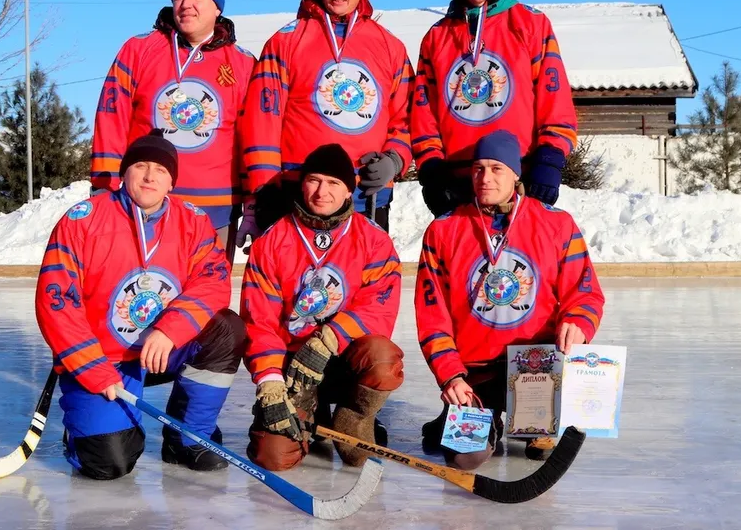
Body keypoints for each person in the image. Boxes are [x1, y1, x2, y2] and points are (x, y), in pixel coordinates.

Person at [36, 131, 246, 478]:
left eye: (161, 170)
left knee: (226, 329)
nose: (150, 176)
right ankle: (83, 432)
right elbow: (57, 303)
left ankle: (188, 436)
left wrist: (170, 330)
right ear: (124, 173)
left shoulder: (192, 221)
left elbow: (214, 280)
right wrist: (94, 369)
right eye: (141, 166)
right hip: (107, 359)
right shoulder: (82, 221)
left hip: (162, 349)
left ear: (171, 182)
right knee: (110, 463)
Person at [415, 130, 604, 469]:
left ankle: (533, 421)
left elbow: (585, 291)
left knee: (540, 447)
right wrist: (450, 376)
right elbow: (432, 316)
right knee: (464, 459)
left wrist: (578, 322)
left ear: (516, 173)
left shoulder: (557, 224)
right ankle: (468, 414)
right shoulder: (443, 230)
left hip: (534, 367)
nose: (485, 178)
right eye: (478, 168)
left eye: (496, 168)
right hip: (473, 372)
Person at [237, 0, 414, 244]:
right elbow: (263, 119)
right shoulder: (286, 41)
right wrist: (264, 190)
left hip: (365, 195)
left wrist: (395, 160)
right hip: (296, 192)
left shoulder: (390, 47)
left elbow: (406, 118)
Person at [239, 143, 404, 471]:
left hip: (344, 361)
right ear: (302, 184)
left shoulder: (373, 239)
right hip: (294, 369)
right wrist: (270, 381)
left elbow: (378, 306)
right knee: (273, 457)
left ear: (348, 191)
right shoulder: (272, 240)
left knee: (382, 358)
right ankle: (308, 415)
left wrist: (330, 338)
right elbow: (259, 319)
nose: (321, 192)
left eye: (333, 183)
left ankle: (353, 417)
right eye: (314, 180)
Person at [90, 0, 256, 263]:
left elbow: (252, 136)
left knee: (208, 290)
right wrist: (104, 184)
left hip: (216, 206)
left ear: (217, 7)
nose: (186, 4)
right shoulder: (139, 49)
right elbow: (112, 118)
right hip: (146, 199)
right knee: (146, 287)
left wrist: (253, 201)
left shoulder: (243, 63)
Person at [411, 0, 579, 215]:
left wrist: (550, 158)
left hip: (518, 176)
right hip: (456, 182)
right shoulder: (436, 37)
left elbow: (554, 98)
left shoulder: (531, 24)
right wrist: (431, 167)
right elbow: (423, 111)